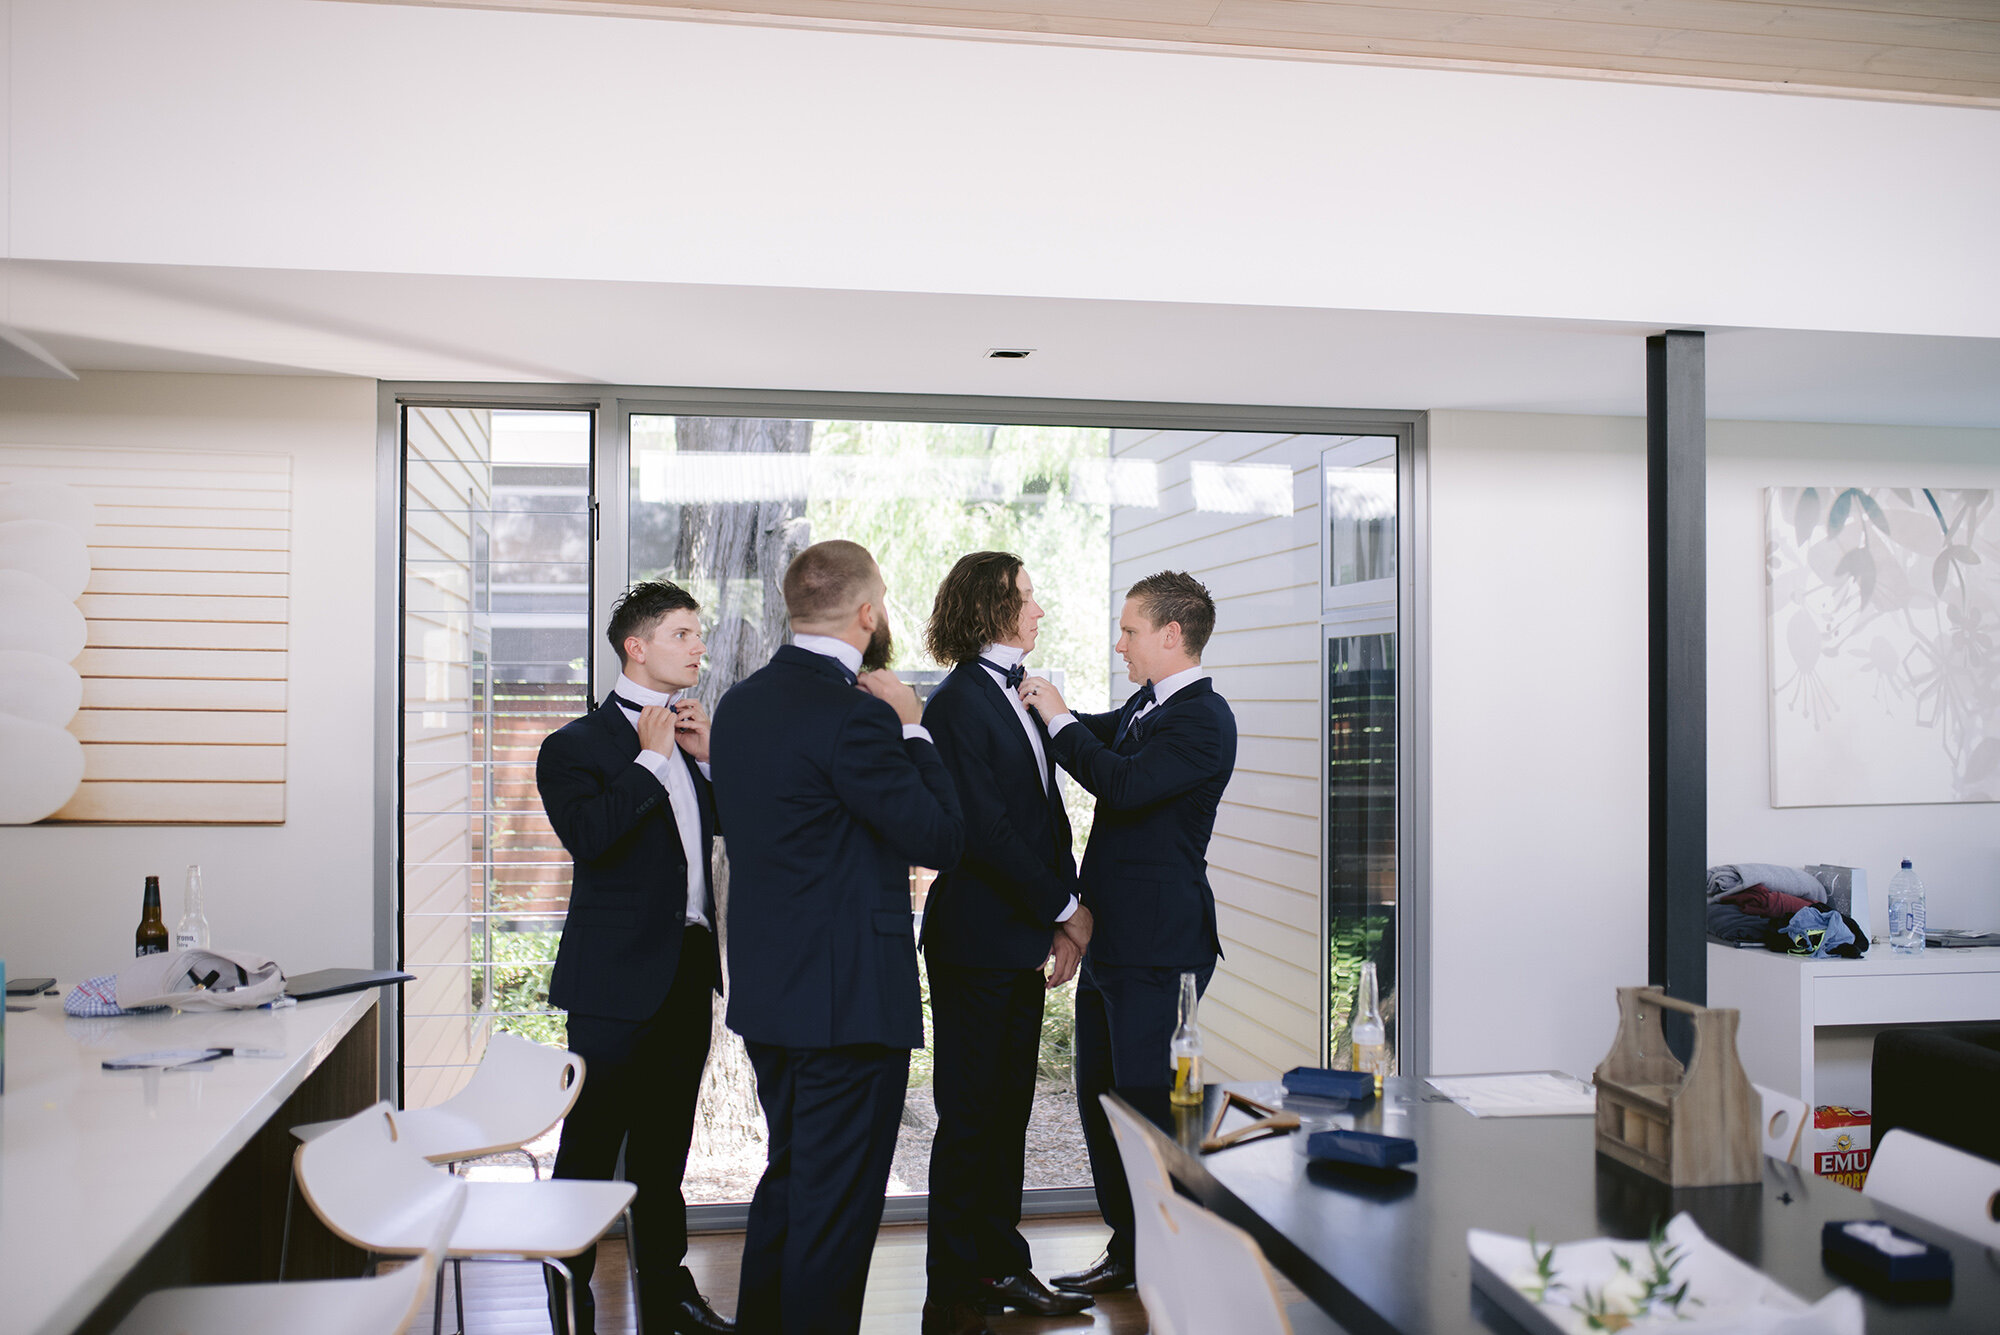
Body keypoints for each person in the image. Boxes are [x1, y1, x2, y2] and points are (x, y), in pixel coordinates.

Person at [708, 539, 965, 1335]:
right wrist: (915, 728)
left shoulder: (739, 706)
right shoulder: (859, 717)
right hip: (847, 1004)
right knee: (836, 1212)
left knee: (791, 1184)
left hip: (771, 998)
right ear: (868, 612)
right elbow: (941, 837)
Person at [1017, 570, 1237, 1297]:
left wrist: (1057, 718)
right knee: (1100, 1101)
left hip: (1161, 948)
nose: (1120, 643)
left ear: (1172, 635)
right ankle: (1130, 1249)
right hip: (1112, 940)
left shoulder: (1204, 719)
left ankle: (1175, 1261)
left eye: (1130, 630)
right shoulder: (1148, 703)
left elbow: (1120, 781)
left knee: (1148, 1111)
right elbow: (1089, 739)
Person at [535, 580, 734, 1335]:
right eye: (684, 634)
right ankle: (565, 1286)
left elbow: (726, 828)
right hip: (612, 982)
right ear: (637, 646)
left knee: (665, 1145)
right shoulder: (574, 747)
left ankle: (668, 1290)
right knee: (589, 1145)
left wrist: (706, 762)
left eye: (698, 634)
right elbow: (593, 838)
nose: (699, 647)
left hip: (687, 970)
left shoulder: (689, 737)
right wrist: (649, 763)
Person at [916, 552, 1096, 1335]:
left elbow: (1039, 821)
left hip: (1012, 937)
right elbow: (986, 831)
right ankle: (956, 1288)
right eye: (1027, 597)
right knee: (971, 1117)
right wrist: (1067, 907)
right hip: (975, 941)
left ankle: (998, 1265)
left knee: (1006, 1115)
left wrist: (1054, 918)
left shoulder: (1020, 693)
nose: (1039, 610)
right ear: (991, 605)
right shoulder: (958, 702)